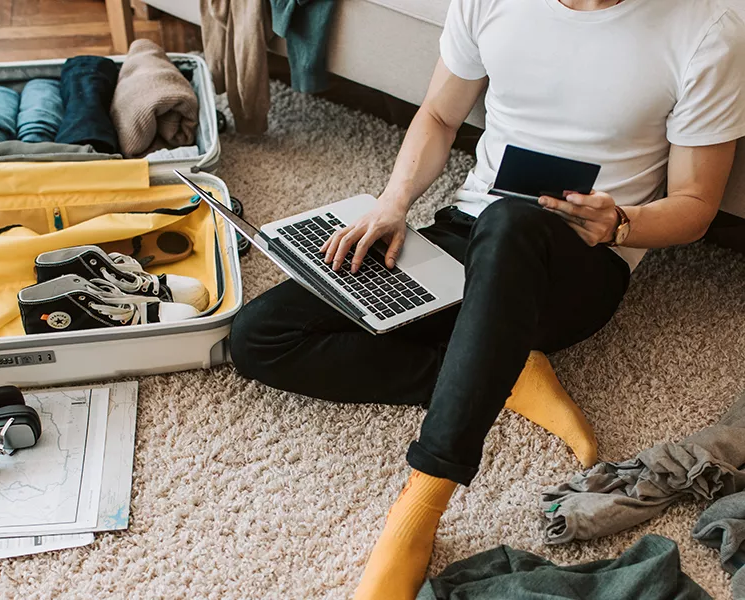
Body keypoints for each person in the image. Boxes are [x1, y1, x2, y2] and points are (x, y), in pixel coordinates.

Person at [229, 0, 745, 597]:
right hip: (468, 232)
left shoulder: (707, 27)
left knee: (510, 223)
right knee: (259, 337)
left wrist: (620, 222)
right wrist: (393, 204)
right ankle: (500, 369)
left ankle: (419, 506)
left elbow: (695, 207)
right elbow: (439, 115)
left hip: (583, 262)